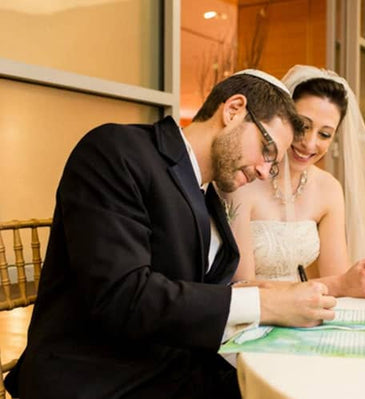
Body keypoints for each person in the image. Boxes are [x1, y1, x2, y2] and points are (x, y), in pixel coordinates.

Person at [5, 70, 338, 399]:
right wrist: (263, 304)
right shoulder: (117, 151)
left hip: (175, 371)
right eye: (267, 150)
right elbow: (122, 296)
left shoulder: (210, 196)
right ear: (234, 110)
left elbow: (196, 290)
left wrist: (268, 293)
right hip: (97, 379)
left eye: (274, 164)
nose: (266, 171)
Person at [226, 65, 365, 300]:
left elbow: (339, 278)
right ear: (283, 117)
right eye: (302, 126)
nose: (310, 144)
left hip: (306, 312)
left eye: (324, 134)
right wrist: (341, 285)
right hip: (252, 315)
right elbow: (243, 287)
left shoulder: (328, 188)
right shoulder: (243, 179)